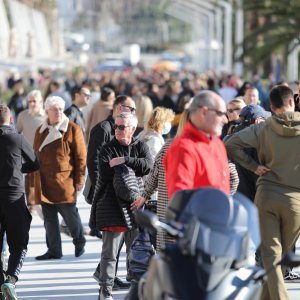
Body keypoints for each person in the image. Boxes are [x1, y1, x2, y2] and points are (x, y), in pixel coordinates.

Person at [225, 85, 300, 300]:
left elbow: (231, 145)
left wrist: (253, 166)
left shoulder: (264, 128)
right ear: (292, 102)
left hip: (267, 196)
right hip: (295, 201)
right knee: (276, 259)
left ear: (270, 106)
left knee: (271, 259)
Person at [90, 112, 152, 300]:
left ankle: (135, 289)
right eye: (116, 126)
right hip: (112, 207)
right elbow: (104, 172)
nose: (117, 130)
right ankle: (105, 291)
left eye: (122, 127)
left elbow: (148, 165)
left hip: (135, 206)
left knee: (135, 253)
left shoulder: (140, 146)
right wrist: (129, 170)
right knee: (109, 254)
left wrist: (124, 161)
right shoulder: (108, 147)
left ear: (133, 129)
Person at [87, 95, 138, 289]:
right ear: (118, 107)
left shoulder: (121, 129)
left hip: (119, 192)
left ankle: (106, 274)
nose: (133, 112)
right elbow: (94, 161)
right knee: (114, 238)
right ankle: (104, 278)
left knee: (121, 235)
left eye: (133, 110)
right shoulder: (104, 129)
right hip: (106, 191)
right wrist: (101, 187)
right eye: (129, 108)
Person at [33, 96, 86, 260]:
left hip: (64, 180)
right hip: (43, 180)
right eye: (54, 109)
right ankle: (54, 250)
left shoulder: (72, 129)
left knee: (70, 215)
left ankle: (79, 240)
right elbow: (35, 154)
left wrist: (80, 179)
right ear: (47, 111)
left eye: (61, 109)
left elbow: (81, 157)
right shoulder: (40, 130)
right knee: (49, 219)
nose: (58, 112)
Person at [0, 104, 39, 299]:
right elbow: (35, 163)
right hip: (14, 196)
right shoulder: (17, 138)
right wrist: (17, 169)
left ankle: (1, 286)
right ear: (11, 120)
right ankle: (11, 281)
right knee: (19, 244)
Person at [164, 91, 230, 199]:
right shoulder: (183, 148)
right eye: (220, 113)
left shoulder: (218, 144)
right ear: (204, 112)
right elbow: (180, 200)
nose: (226, 120)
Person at [16, 90, 45, 209]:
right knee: (29, 183)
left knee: (42, 183)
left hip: (44, 155)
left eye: (34, 101)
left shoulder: (47, 115)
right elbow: (16, 133)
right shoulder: (22, 115)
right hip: (27, 156)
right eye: (29, 101)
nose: (32, 104)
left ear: (41, 102)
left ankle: (42, 207)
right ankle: (30, 206)